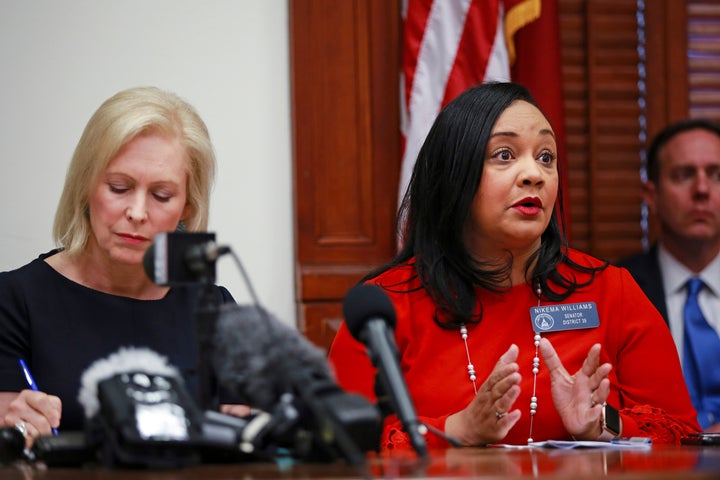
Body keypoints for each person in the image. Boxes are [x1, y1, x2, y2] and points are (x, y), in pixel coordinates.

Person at [328, 82, 700, 450]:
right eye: (504, 155)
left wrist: (601, 424)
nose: (534, 174)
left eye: (546, 157)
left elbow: (681, 432)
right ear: (455, 175)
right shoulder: (385, 306)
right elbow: (342, 446)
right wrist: (458, 429)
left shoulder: (610, 291)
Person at [0, 86, 240, 444]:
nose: (138, 213)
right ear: (86, 186)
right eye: (118, 187)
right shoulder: (15, 301)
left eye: (162, 195)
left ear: (186, 208)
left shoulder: (215, 308)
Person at [619, 118, 720, 432]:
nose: (702, 190)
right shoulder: (620, 289)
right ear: (651, 195)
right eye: (684, 175)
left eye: (716, 175)